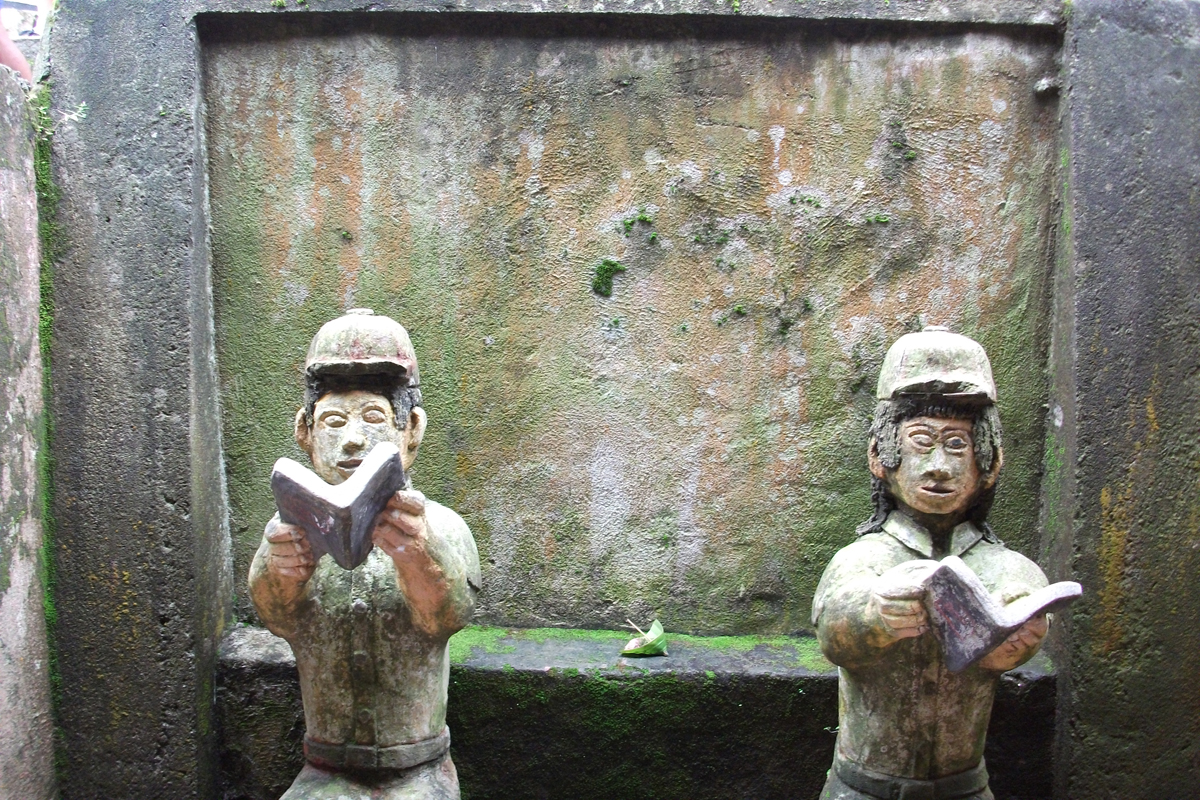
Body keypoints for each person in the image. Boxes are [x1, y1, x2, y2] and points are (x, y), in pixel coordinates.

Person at [249, 309, 480, 800]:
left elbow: (449, 615)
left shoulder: (440, 526)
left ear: (410, 429)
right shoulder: (289, 530)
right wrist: (280, 574)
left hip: (417, 772)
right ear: (305, 431)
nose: (352, 439)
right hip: (324, 772)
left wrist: (420, 559)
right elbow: (275, 615)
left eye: (373, 417)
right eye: (333, 421)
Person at [813, 326, 1049, 800]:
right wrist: (873, 614)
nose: (939, 465)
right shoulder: (862, 559)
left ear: (990, 462)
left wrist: (1015, 643)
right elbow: (833, 634)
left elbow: (1018, 628)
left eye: (957, 444)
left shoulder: (1008, 568)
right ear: (880, 455)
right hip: (862, 789)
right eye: (921, 440)